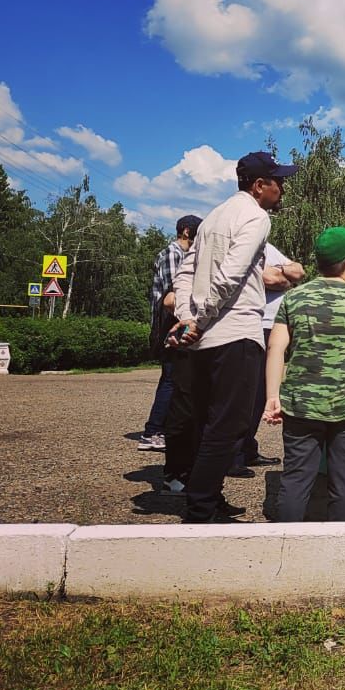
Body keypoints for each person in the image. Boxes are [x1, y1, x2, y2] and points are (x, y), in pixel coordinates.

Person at [171, 151, 298, 523]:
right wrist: (202, 319)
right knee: (229, 425)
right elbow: (231, 274)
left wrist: (186, 317)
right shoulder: (255, 217)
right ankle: (202, 508)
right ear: (259, 186)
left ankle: (208, 496)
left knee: (206, 420)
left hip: (205, 337)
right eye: (279, 181)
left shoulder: (214, 216)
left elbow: (187, 271)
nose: (283, 188)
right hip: (236, 331)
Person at [264, 227, 345, 522]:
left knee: (296, 479)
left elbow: (275, 347)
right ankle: (338, 543)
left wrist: (273, 396)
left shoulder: (294, 297)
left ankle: (285, 541)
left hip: (300, 404)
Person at [235, 241, 305, 477]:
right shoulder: (243, 245)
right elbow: (270, 279)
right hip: (255, 325)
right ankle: (234, 455)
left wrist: (283, 274)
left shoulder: (266, 246)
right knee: (247, 393)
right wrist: (285, 278)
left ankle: (247, 448)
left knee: (259, 393)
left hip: (270, 326)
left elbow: (298, 271)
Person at [140, 214, 202, 452]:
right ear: (187, 231)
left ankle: (163, 429)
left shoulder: (184, 255)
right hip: (169, 324)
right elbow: (173, 295)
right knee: (170, 378)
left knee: (178, 379)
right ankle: (153, 431)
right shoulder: (172, 254)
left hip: (180, 322)